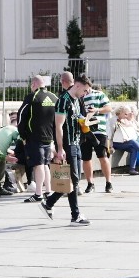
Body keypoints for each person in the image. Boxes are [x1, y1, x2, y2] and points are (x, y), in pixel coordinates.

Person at [42, 75, 92, 225]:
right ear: (76, 86)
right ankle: (74, 215)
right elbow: (58, 126)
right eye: (84, 90)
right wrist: (60, 148)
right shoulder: (63, 100)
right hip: (68, 144)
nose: (85, 94)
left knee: (72, 179)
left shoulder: (77, 100)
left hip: (76, 142)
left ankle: (49, 203)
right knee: (73, 179)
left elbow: (76, 119)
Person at [18, 75, 58, 204]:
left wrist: (23, 135)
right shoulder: (54, 97)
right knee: (46, 164)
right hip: (49, 136)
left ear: (34, 84)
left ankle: (38, 193)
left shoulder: (32, 97)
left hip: (34, 136)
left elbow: (20, 116)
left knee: (38, 165)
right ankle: (49, 191)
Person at [0, 111, 22, 192]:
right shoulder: (16, 130)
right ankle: (8, 185)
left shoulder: (3, 128)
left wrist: (11, 152)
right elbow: (20, 146)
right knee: (10, 164)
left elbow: (2, 144)